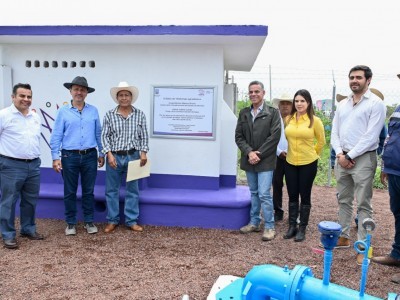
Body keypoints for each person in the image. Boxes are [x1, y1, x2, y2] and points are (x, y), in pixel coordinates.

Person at [331, 65, 386, 265]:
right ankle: (343, 235)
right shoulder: (343, 104)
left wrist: (350, 155)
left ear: (368, 80)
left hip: (363, 158)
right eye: (352, 77)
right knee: (343, 199)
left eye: (359, 77)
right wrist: (339, 154)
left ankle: (363, 246)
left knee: (364, 203)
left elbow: (371, 136)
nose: (354, 80)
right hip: (342, 156)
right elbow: (335, 133)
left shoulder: (375, 104)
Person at [50, 76, 105, 236]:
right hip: (69, 156)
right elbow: (57, 135)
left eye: (82, 89)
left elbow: (98, 132)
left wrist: (101, 152)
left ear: (86, 92)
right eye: (76, 89)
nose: (79, 92)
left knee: (89, 191)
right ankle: (71, 223)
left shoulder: (93, 110)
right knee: (70, 191)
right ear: (71, 91)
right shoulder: (63, 111)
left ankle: (89, 221)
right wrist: (55, 157)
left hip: (90, 155)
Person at [235, 80, 281, 241]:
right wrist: (249, 152)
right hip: (249, 160)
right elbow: (239, 137)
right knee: (253, 193)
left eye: (257, 91)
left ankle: (269, 227)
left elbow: (274, 137)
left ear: (263, 93)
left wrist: (258, 154)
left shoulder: (273, 113)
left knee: (264, 194)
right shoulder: (244, 113)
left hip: (265, 161)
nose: (253, 94)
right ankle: (254, 222)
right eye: (251, 92)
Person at [101, 81, 149, 233]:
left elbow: (144, 136)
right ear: (117, 98)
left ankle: (131, 220)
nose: (124, 98)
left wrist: (143, 152)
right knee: (111, 190)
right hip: (114, 157)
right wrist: (108, 154)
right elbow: (104, 137)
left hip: (133, 156)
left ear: (131, 97)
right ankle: (112, 220)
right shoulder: (109, 115)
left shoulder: (139, 114)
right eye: (121, 95)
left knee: (132, 190)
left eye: (126, 95)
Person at [0, 83, 44, 249]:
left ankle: (28, 229)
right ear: (13, 97)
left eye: (29, 96)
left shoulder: (35, 117)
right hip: (11, 165)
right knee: (8, 201)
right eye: (22, 96)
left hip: (33, 165)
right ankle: (8, 234)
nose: (26, 99)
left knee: (30, 200)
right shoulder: (4, 115)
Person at [283, 89, 326, 242]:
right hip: (290, 162)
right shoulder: (288, 119)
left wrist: (312, 154)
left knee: (305, 195)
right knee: (292, 195)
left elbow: (321, 142)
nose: (299, 103)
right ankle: (292, 226)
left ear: (308, 103)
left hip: (308, 163)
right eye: (297, 101)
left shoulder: (315, 121)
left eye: (302, 101)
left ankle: (302, 228)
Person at [371, 74, 400, 283]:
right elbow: (390, 138)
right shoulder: (398, 107)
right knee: (398, 213)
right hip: (394, 169)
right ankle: (397, 255)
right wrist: (385, 165)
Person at [272, 93, 293, 221]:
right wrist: (278, 151)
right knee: (276, 183)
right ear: (278, 106)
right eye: (283, 103)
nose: (285, 106)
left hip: (293, 156)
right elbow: (268, 138)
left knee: (293, 185)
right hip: (276, 156)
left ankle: (293, 212)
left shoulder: (297, 119)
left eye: (288, 103)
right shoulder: (273, 119)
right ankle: (278, 211)